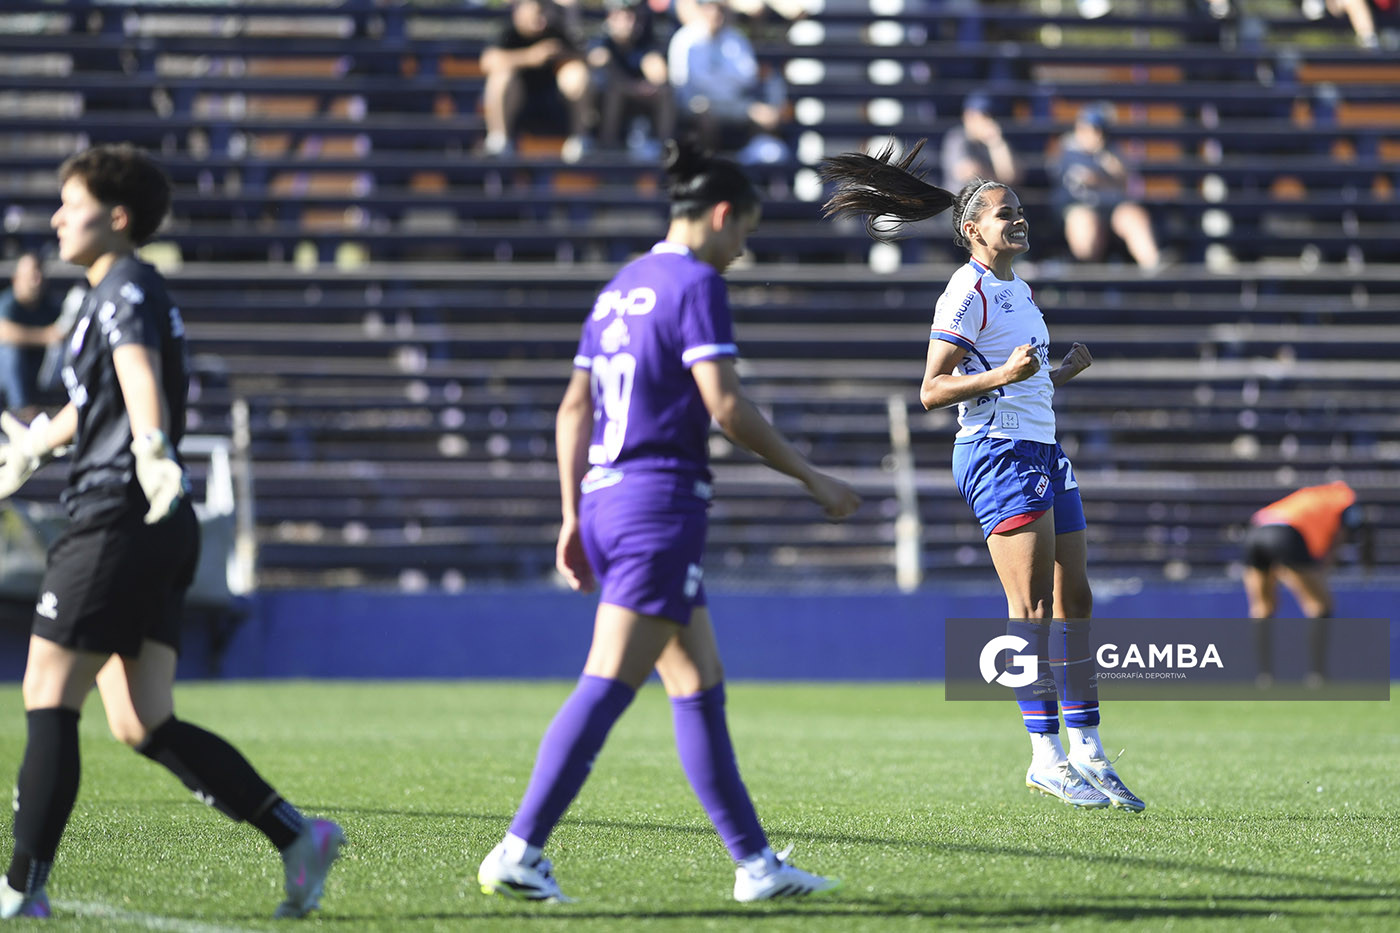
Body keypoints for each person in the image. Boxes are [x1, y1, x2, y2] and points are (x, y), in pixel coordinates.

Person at [476, 138, 861, 903]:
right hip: (659, 503)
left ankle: (755, 864)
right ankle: (518, 848)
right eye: (744, 231)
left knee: (697, 680)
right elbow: (725, 407)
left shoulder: (620, 286)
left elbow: (573, 409)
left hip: (606, 499)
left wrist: (570, 514)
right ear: (720, 215)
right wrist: (813, 476)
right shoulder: (695, 282)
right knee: (607, 681)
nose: (741, 249)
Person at [0, 144, 344, 920]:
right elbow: (99, 399)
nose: (56, 216)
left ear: (115, 217)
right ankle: (297, 835)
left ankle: (23, 887)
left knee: (49, 690)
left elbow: (139, 375)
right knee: (142, 719)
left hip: (118, 512)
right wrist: (33, 444)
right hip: (156, 522)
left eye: (71, 201)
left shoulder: (121, 286)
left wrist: (152, 451)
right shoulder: (106, 292)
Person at [819, 140, 1145, 812]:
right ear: (973, 231)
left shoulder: (1017, 289)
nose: (1018, 220)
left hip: (1042, 447)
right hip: (998, 452)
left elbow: (1016, 376)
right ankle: (1045, 757)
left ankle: (1088, 747)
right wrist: (1005, 375)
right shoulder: (964, 293)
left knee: (1074, 597)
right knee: (1029, 608)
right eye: (1005, 214)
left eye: (1020, 210)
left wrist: (1057, 374)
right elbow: (933, 390)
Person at [1242, 480, 1367, 688]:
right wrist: (1324, 567)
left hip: (1255, 531)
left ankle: (1264, 676)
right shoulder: (1346, 499)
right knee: (1320, 605)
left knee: (1261, 607)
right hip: (1287, 534)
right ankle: (1317, 675)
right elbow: (1343, 534)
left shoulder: (1310, 495)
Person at [667, 0, 788, 163]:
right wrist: (723, 84)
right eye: (710, 9)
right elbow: (687, 83)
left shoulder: (735, 38)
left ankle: (753, 169)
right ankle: (708, 169)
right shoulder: (685, 39)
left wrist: (719, 85)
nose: (715, 14)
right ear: (702, 10)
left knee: (766, 116)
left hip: (734, 102)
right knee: (705, 117)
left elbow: (747, 77)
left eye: (719, 9)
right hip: (696, 104)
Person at [1051, 103, 1162, 272]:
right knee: (1085, 225)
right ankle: (1088, 280)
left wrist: (1105, 163)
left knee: (1132, 215)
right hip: (1079, 207)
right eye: (1090, 128)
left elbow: (1125, 183)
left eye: (1099, 130)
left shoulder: (1112, 151)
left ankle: (1154, 266)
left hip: (1112, 208)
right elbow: (1073, 181)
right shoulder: (1066, 149)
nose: (1095, 135)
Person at [479, 0, 593, 161]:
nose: (542, 19)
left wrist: (562, 54)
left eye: (544, 12)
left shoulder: (554, 31)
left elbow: (585, 56)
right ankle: (499, 140)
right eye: (537, 12)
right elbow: (487, 62)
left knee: (577, 72)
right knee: (501, 76)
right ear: (519, 11)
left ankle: (580, 139)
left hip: (554, 103)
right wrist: (530, 57)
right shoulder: (508, 32)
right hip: (518, 107)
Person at [585, 0, 675, 156]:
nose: (630, 22)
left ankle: (665, 149)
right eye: (624, 16)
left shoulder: (644, 41)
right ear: (611, 18)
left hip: (639, 96)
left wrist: (653, 72)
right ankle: (607, 148)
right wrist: (633, 87)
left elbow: (659, 73)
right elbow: (606, 71)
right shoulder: (601, 42)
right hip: (604, 102)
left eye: (633, 16)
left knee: (665, 92)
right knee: (614, 92)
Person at [0, 251, 65, 420]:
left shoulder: (47, 304)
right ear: (16, 280)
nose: (36, 279)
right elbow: (3, 331)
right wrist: (45, 336)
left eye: (39, 273)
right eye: (30, 275)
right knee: (10, 351)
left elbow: (61, 330)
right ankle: (21, 409)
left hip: (38, 369)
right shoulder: (8, 303)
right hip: (7, 373)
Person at [940, 93, 1020, 191]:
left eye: (992, 115)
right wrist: (999, 181)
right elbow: (969, 173)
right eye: (984, 115)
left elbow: (1012, 177)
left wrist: (996, 143)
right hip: (960, 203)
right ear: (968, 116)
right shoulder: (957, 138)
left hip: (988, 202)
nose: (989, 120)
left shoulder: (994, 140)